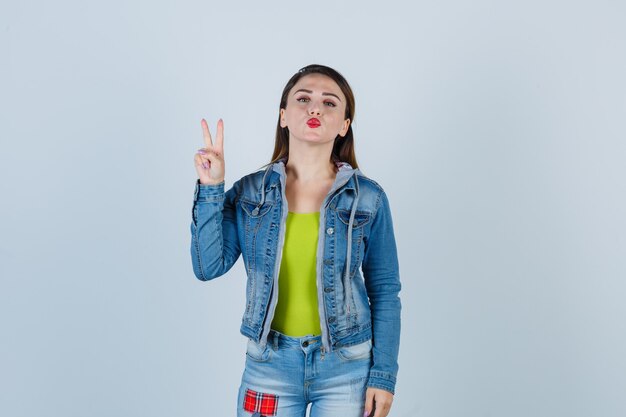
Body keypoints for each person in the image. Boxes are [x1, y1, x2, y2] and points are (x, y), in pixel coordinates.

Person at [190, 64, 401, 417]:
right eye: (303, 99)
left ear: (345, 125)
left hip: (346, 368)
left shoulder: (369, 198)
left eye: (330, 103)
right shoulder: (249, 194)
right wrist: (213, 188)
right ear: (284, 116)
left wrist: (383, 376)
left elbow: (385, 290)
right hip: (269, 365)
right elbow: (207, 266)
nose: (315, 108)